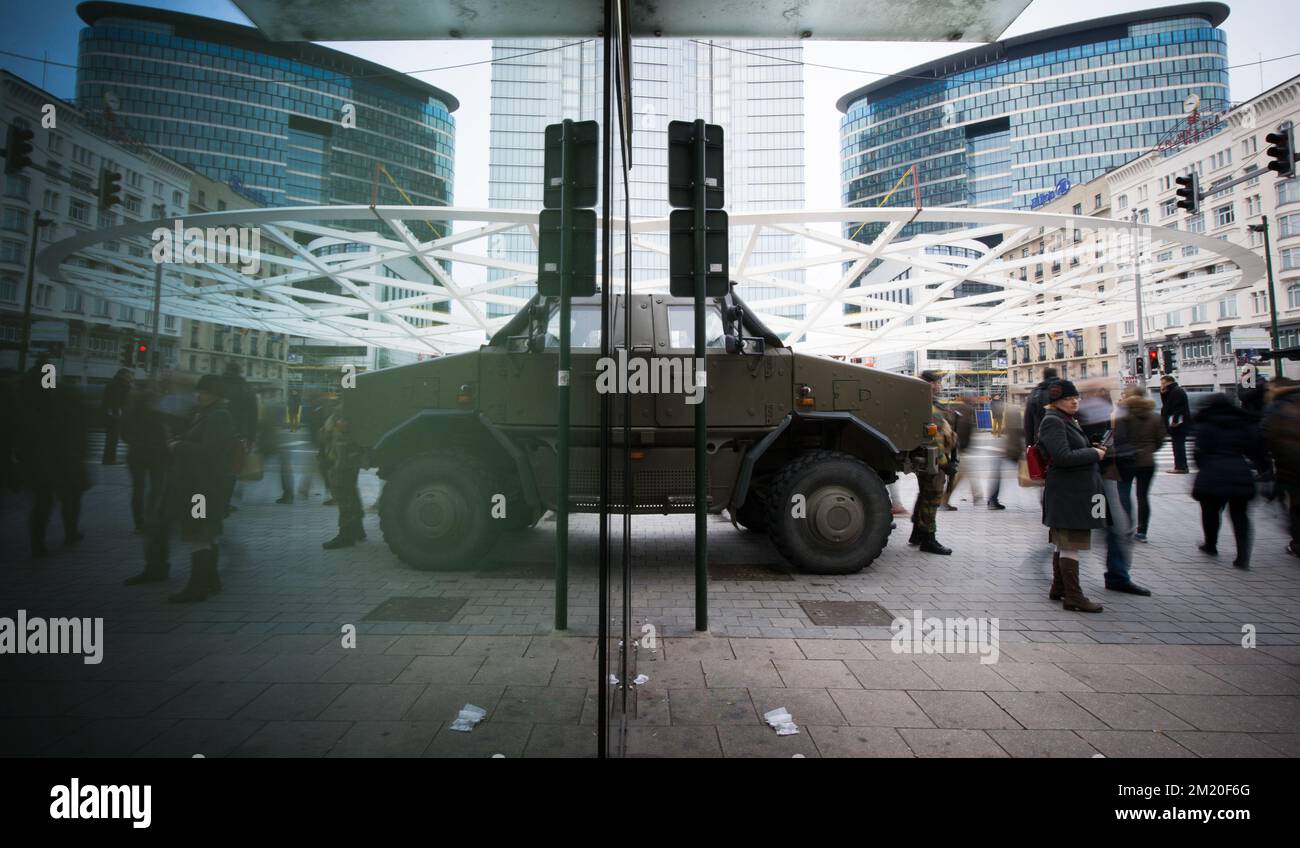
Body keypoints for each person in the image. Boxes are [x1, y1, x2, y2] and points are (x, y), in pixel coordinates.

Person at [125, 374, 235, 600]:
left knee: (199, 532)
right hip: (199, 484)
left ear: (214, 394)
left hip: (204, 487)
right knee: (206, 532)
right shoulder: (207, 414)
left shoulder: (218, 416)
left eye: (203, 391)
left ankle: (197, 587)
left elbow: (210, 452)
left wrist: (179, 445)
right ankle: (211, 580)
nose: (199, 395)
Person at [1037, 379, 1105, 613]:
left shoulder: (1064, 419)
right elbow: (1062, 456)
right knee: (1071, 543)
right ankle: (1074, 596)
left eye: (1076, 397)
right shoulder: (1054, 421)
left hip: (1072, 489)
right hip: (1069, 491)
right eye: (1068, 398)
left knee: (1064, 541)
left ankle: (1059, 587)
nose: (1075, 401)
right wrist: (1094, 453)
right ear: (1056, 401)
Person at [1192, 393, 1270, 570]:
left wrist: (1203, 467)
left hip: (1212, 472)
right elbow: (1255, 449)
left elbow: (1198, 452)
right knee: (1240, 515)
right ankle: (1242, 556)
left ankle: (1211, 545)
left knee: (1210, 512)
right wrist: (1263, 470)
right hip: (1239, 471)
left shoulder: (1205, 423)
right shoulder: (1241, 423)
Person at [18, 363, 89, 557]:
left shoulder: (28, 399)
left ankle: (38, 543)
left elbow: (20, 432)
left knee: (43, 502)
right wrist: (82, 452)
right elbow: (81, 425)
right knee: (70, 497)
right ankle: (70, 533)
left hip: (41, 459)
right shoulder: (67, 395)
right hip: (66, 457)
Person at [909, 370, 955, 555]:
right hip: (934, 462)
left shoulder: (922, 404)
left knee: (924, 495)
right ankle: (928, 539)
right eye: (937, 382)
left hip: (927, 460)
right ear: (929, 384)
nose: (940, 386)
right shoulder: (932, 409)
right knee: (932, 497)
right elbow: (934, 441)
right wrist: (945, 464)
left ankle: (917, 533)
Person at [1115, 386, 1164, 542]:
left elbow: (1118, 438)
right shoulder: (1155, 416)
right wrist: (1148, 450)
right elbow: (1160, 440)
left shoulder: (1123, 414)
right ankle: (1142, 531)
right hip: (1147, 461)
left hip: (1126, 460)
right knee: (1143, 496)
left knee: (1123, 493)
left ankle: (1128, 524)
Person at [121, 379, 171, 533]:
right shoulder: (159, 408)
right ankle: (151, 517)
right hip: (157, 454)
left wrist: (134, 442)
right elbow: (164, 432)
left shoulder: (131, 407)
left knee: (138, 488)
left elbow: (123, 433)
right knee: (157, 488)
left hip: (136, 453)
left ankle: (139, 522)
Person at [1263, 377, 1300, 557]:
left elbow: (1266, 436)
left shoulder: (1277, 407)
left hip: (1291, 467)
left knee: (1295, 505)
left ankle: (1297, 542)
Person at [322, 405, 366, 549]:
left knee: (343, 495)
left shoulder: (343, 408)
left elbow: (334, 435)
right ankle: (358, 529)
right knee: (351, 492)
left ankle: (346, 535)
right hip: (350, 458)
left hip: (343, 460)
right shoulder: (354, 405)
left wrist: (339, 463)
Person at [941, 394, 977, 510]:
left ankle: (977, 494)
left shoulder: (958, 409)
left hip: (957, 446)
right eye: (973, 397)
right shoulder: (968, 410)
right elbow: (964, 428)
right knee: (957, 475)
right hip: (960, 446)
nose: (975, 399)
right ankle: (944, 500)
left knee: (964, 473)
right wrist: (963, 445)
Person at [1160, 375, 1191, 474]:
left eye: (1163, 383)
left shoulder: (1177, 391)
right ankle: (1181, 466)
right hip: (1176, 422)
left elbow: (1178, 408)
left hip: (1178, 424)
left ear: (1169, 382)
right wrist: (1163, 394)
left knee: (1178, 445)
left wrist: (1175, 421)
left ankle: (1180, 467)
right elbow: (1166, 405)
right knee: (1177, 444)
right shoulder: (1172, 391)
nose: (1162, 385)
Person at [100, 368, 132, 465]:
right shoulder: (120, 384)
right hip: (116, 415)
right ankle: (110, 459)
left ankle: (108, 459)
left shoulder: (113, 383)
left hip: (112, 415)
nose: (130, 377)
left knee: (111, 439)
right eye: (129, 375)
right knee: (113, 439)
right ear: (123, 375)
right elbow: (117, 400)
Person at [1023, 367, 1059, 448]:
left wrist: (1029, 444)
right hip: (1062, 439)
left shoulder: (1035, 393)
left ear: (1044, 377)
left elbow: (1028, 422)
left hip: (1040, 439)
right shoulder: (1064, 390)